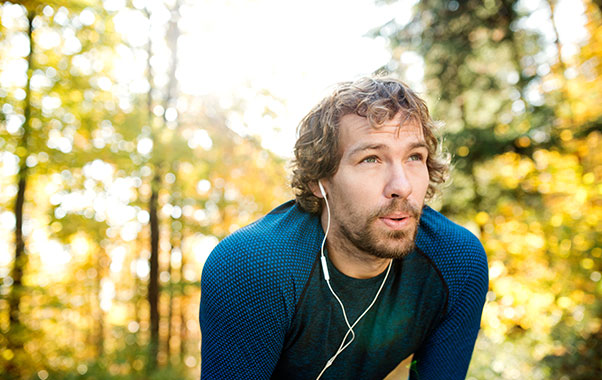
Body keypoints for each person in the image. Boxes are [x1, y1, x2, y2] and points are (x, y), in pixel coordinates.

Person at [199, 77, 489, 380]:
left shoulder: (457, 262)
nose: (402, 186)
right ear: (320, 181)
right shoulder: (253, 268)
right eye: (371, 159)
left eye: (414, 157)